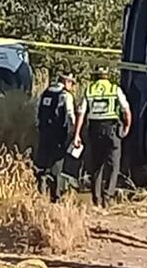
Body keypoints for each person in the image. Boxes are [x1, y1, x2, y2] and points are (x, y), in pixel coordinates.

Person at [73, 67, 132, 207]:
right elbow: (126, 110)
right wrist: (127, 126)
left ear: (96, 76)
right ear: (107, 76)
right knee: (114, 165)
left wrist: (77, 134)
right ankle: (108, 196)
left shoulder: (90, 89)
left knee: (96, 165)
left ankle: (97, 198)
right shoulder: (114, 89)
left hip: (94, 129)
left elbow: (81, 113)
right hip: (112, 130)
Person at [34, 73, 77, 202]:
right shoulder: (65, 95)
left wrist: (38, 127)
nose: (72, 85)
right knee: (57, 164)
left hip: (44, 133)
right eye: (71, 82)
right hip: (58, 135)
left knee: (42, 163)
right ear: (66, 81)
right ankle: (55, 195)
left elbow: (37, 111)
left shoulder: (45, 92)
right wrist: (73, 132)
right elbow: (70, 115)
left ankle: (40, 192)